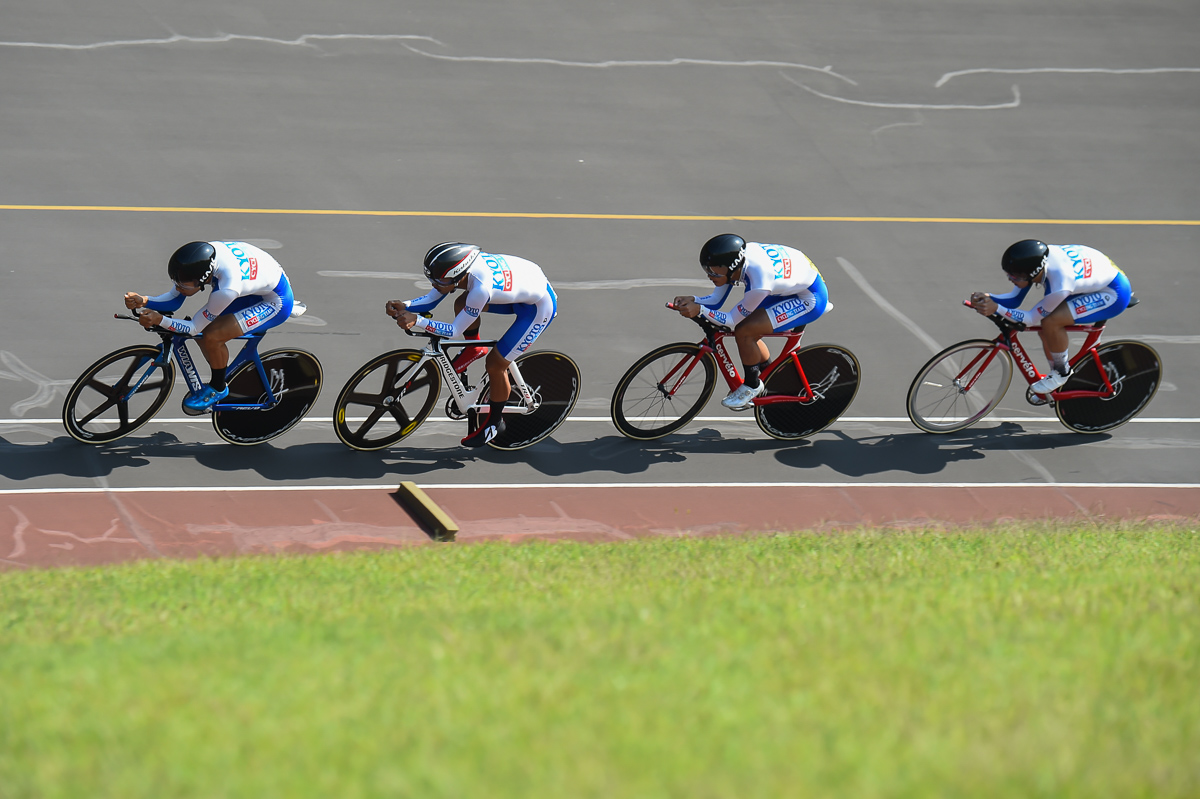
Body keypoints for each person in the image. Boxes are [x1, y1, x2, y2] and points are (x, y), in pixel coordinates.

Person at [386, 242, 558, 448]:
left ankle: (495, 423)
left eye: (438, 281)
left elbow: (453, 331)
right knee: (461, 303)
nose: (434, 285)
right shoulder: (461, 272)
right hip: (522, 287)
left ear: (458, 275)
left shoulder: (480, 289)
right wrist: (405, 305)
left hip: (538, 308)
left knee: (495, 364)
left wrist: (419, 320)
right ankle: (474, 347)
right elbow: (432, 299)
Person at [123, 240, 299, 412]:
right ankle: (222, 367)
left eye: (183, 284)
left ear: (203, 278)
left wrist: (160, 320)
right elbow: (174, 301)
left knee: (212, 336)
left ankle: (218, 387)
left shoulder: (226, 289)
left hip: (275, 301)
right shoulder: (203, 259)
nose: (179, 287)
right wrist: (145, 300)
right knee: (206, 332)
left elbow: (193, 327)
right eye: (176, 281)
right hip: (255, 283)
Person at [672, 234, 831, 410]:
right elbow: (717, 300)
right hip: (788, 285)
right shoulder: (735, 262)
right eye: (707, 270)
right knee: (749, 328)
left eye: (714, 272)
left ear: (732, 267)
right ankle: (771, 377)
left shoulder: (759, 281)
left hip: (809, 298)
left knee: (744, 331)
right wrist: (694, 300)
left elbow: (731, 321)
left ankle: (752, 385)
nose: (710, 276)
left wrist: (700, 310)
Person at [970, 240, 1132, 394]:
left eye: (1014, 277)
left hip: (1113, 293)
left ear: (1032, 273)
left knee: (1051, 322)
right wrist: (988, 297)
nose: (1010, 279)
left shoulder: (1059, 285)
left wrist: (996, 307)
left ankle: (1062, 373)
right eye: (1009, 275)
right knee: (1045, 329)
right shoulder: (1036, 261)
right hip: (1092, 278)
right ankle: (1055, 377)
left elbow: (1031, 318)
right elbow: (1014, 300)